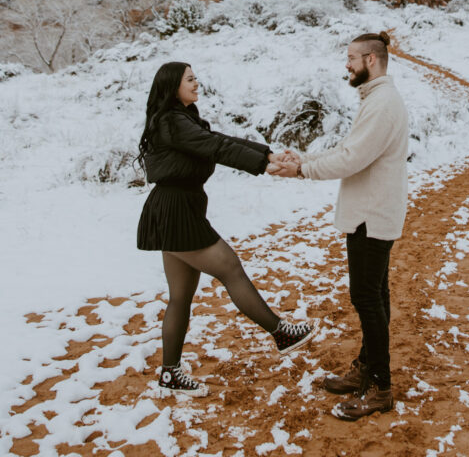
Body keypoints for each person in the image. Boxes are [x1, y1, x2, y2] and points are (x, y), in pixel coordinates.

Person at [137, 61, 317, 395]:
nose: (196, 82)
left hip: (175, 208)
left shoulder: (180, 119)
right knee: (231, 269)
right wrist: (264, 164)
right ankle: (280, 332)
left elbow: (218, 139)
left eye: (196, 77)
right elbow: (217, 148)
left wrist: (268, 154)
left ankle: (170, 373)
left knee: (180, 296)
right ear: (172, 86)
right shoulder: (172, 122)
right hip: (176, 211)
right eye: (189, 79)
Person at [269, 32, 409, 420]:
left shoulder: (381, 104)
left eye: (351, 58)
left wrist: (301, 170)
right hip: (372, 211)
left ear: (372, 60)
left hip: (371, 214)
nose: (346, 64)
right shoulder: (377, 99)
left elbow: (351, 159)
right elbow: (350, 150)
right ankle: (367, 368)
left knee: (367, 299)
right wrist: (307, 158)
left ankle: (380, 388)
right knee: (374, 297)